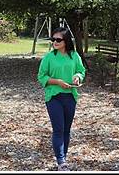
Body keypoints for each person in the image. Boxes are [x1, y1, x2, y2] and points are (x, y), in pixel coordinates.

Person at [37, 27, 86, 171]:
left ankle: (62, 158)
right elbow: (41, 77)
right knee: (58, 129)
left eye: (58, 39)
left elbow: (81, 71)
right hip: (54, 97)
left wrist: (77, 77)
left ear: (66, 41)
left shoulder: (74, 55)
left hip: (70, 96)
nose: (55, 42)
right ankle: (61, 161)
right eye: (53, 39)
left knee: (66, 130)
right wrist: (57, 82)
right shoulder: (48, 58)